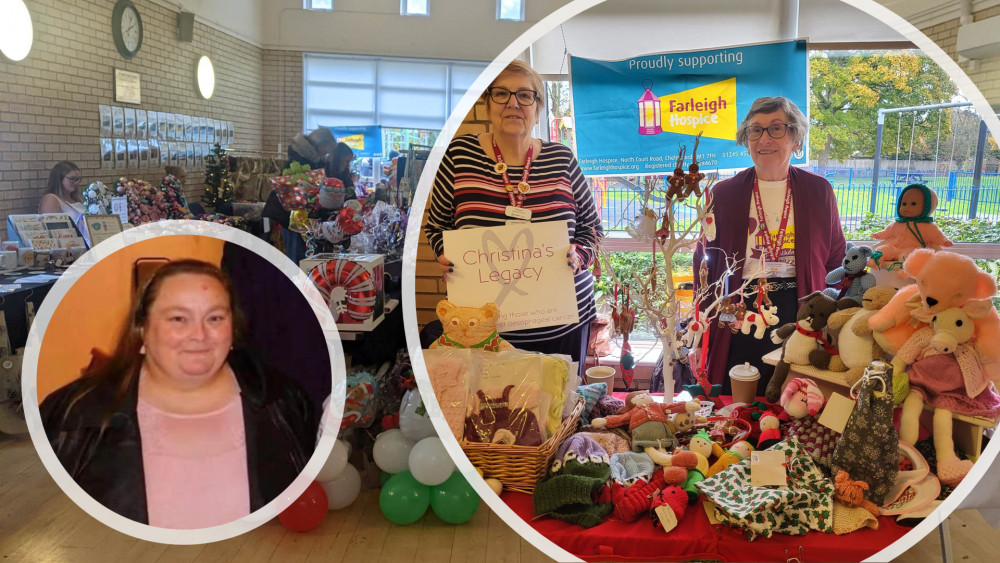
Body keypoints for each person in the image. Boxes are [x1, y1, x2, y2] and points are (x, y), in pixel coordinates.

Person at [40, 260, 318, 529]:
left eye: (215, 318)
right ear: (142, 330)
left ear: (232, 329)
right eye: (178, 318)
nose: (199, 335)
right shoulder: (72, 415)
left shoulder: (285, 402)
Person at [424, 60, 603, 379]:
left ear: (537, 107)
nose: (513, 103)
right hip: (484, 327)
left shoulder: (561, 159)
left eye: (525, 95)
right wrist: (444, 254)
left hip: (562, 320)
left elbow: (592, 229)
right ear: (486, 102)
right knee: (493, 415)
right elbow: (437, 225)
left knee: (558, 410)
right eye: (502, 94)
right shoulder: (459, 155)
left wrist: (580, 255)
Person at [693, 96, 846, 397]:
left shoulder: (818, 192)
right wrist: (722, 316)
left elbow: (835, 259)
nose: (764, 139)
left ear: (795, 139)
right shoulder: (724, 194)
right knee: (740, 392)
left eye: (776, 129)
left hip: (801, 307)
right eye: (755, 130)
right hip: (740, 308)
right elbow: (705, 268)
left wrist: (830, 314)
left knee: (798, 394)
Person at [263, 128, 336, 265]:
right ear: (321, 145)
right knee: (297, 256)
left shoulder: (307, 159)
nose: (326, 154)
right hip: (291, 217)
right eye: (327, 150)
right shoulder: (302, 161)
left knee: (300, 254)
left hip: (295, 216)